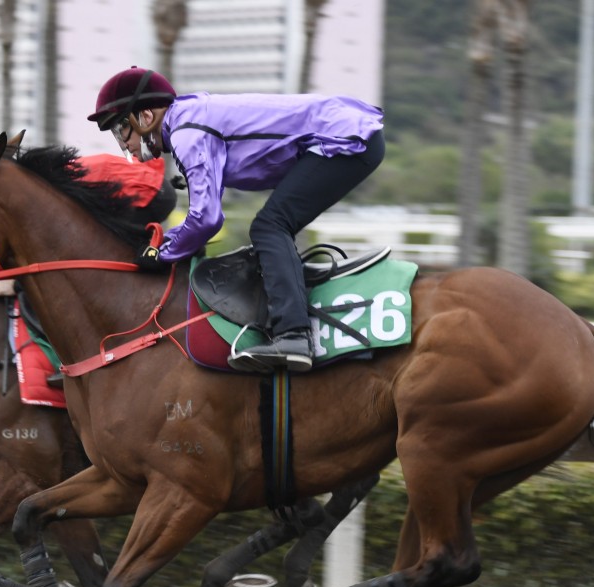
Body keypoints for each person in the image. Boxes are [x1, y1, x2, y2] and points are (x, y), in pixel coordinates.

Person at [87, 66, 385, 373]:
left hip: (344, 137)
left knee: (270, 225)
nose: (123, 144)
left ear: (145, 117)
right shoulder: (186, 121)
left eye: (120, 129)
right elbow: (202, 214)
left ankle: (294, 335)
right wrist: (163, 244)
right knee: (272, 224)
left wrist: (162, 254)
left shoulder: (187, 131)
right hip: (346, 131)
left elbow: (206, 219)